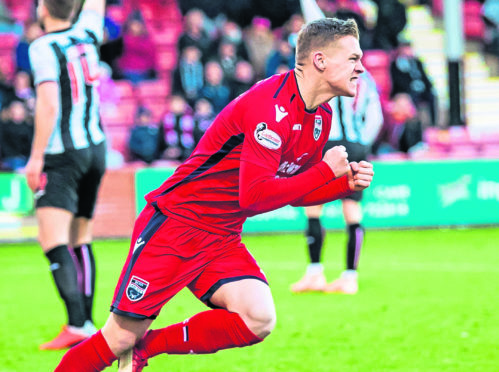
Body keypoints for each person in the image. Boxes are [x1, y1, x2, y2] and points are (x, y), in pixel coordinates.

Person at [55, 16, 373, 372]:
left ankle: (149, 347)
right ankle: (132, 346)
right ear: (320, 60)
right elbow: (255, 197)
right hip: (175, 225)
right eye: (353, 58)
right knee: (118, 337)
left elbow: (292, 192)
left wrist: (340, 186)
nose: (362, 67)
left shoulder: (321, 117)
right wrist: (323, 172)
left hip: (220, 236)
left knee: (258, 317)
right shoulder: (270, 106)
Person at [24, 0, 107, 350]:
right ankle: (85, 323)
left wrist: (35, 158)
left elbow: (49, 103)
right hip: (96, 146)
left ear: (43, 8)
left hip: (62, 153)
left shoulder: (42, 47)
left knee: (53, 240)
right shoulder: (88, 32)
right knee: (80, 235)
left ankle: (77, 324)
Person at [291, 71, 383, 294]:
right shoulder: (365, 77)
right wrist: (361, 143)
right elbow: (376, 117)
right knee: (352, 210)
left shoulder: (321, 72)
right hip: (355, 144)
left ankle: (315, 273)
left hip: (324, 144)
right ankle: (350, 277)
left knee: (313, 207)